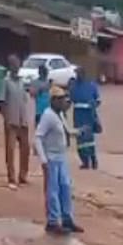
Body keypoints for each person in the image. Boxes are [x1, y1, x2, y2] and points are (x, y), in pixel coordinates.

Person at [34, 90, 84, 236]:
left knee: (65, 187)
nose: (64, 102)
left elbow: (67, 131)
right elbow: (38, 137)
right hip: (51, 158)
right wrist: (43, 159)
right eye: (61, 99)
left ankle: (67, 218)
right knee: (53, 190)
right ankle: (53, 221)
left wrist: (79, 132)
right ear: (54, 100)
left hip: (61, 156)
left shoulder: (59, 114)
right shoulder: (48, 115)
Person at [0, 55, 31, 190]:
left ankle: (22, 175)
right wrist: (6, 117)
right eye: (13, 64)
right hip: (11, 121)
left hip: (23, 121)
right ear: (9, 66)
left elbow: (25, 100)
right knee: (10, 151)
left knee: (26, 149)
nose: (16, 67)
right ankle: (11, 177)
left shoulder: (22, 82)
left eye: (18, 64)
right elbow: (1, 102)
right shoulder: (5, 82)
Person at [70, 67, 101, 169]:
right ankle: (85, 161)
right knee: (80, 139)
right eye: (76, 74)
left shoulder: (91, 85)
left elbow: (98, 100)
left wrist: (92, 105)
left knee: (89, 139)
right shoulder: (73, 86)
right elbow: (70, 100)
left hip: (89, 114)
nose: (77, 76)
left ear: (83, 74)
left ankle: (93, 159)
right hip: (78, 115)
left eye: (79, 74)